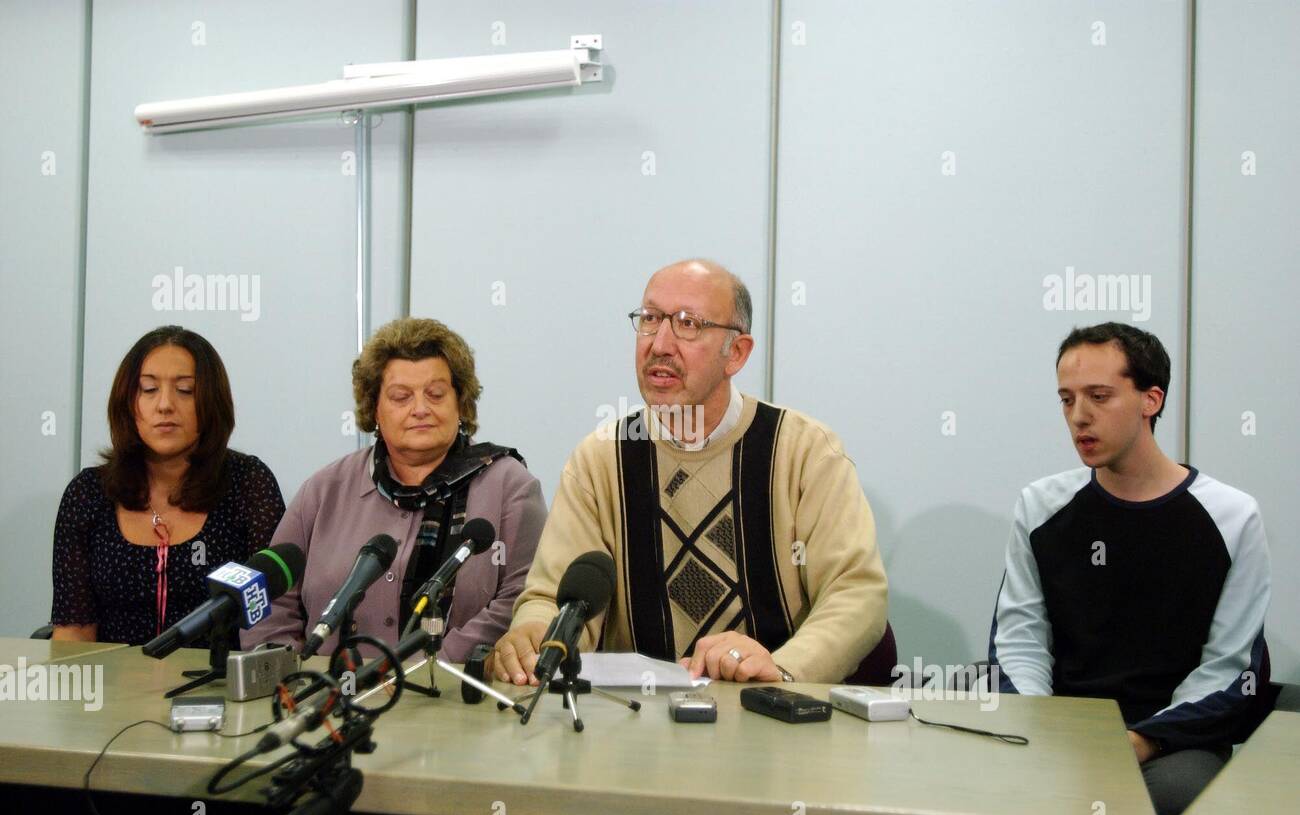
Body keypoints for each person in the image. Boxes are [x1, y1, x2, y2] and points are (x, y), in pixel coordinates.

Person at [491, 259, 888, 686]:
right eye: (649, 320)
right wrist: (536, 633)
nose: (660, 343)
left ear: (736, 353)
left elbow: (856, 593)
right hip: (639, 725)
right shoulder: (600, 460)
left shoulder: (804, 451)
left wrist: (787, 666)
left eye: (688, 324)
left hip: (774, 714)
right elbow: (555, 597)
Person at [989, 322, 1270, 815]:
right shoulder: (1040, 506)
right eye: (1066, 399)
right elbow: (1019, 640)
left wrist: (1140, 741)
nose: (1079, 416)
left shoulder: (1232, 516)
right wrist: (1040, 729)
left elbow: (1230, 668)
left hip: (1172, 743)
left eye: (1099, 396)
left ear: (1151, 400)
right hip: (1061, 732)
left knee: (1161, 805)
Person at [243, 318, 546, 663]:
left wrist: (421, 670)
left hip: (452, 699)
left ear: (461, 403)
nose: (420, 409)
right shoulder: (324, 490)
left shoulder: (511, 487)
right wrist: (290, 675)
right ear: (374, 408)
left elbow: (521, 601)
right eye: (401, 397)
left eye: (435, 394)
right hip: (329, 700)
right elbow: (271, 602)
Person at [51, 326, 285, 646]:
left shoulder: (248, 484)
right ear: (127, 402)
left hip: (219, 686)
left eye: (185, 390)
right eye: (148, 389)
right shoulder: (88, 494)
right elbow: (74, 630)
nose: (165, 405)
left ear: (211, 402)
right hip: (113, 689)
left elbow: (273, 618)